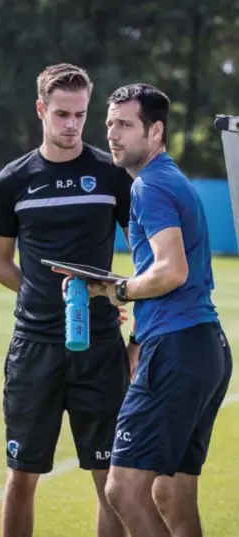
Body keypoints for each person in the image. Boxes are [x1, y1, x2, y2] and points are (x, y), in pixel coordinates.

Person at [0, 63, 133, 537]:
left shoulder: (112, 176)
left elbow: (148, 253)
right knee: (21, 476)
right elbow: (1, 264)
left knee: (109, 480)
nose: (71, 124)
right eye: (62, 114)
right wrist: (45, 301)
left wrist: (116, 297)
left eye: (80, 114)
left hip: (101, 351)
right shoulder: (12, 181)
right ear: (41, 110)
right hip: (35, 351)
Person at [87, 83, 233, 537]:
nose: (113, 133)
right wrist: (136, 337)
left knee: (123, 491)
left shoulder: (149, 186)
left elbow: (171, 271)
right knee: (171, 495)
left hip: (177, 350)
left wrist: (119, 292)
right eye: (110, 123)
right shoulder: (169, 179)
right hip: (203, 348)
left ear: (155, 131)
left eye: (125, 125)